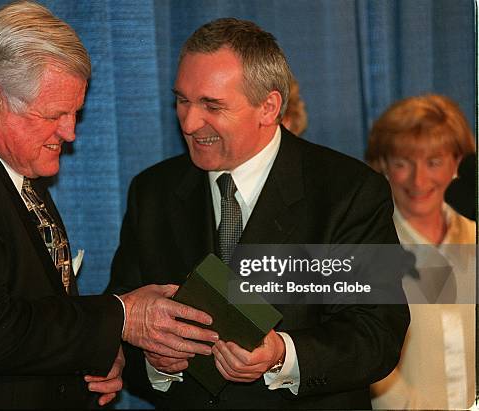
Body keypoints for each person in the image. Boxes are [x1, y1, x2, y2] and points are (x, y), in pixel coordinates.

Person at [0, 2, 217, 409]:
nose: (69, 133)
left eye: (75, 114)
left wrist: (96, 355)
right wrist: (121, 318)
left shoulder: (9, 172)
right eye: (56, 114)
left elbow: (33, 317)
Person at [107, 17, 409, 409]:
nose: (189, 122)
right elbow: (120, 324)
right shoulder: (152, 192)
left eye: (211, 105)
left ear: (269, 107)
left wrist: (282, 355)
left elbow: (376, 335)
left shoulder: (347, 192)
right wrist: (156, 362)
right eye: (182, 100)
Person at [366, 94, 476, 409]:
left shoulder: (473, 236)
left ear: (457, 163)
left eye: (434, 162)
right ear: (383, 165)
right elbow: (368, 356)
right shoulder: (370, 251)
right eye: (403, 163)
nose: (419, 179)